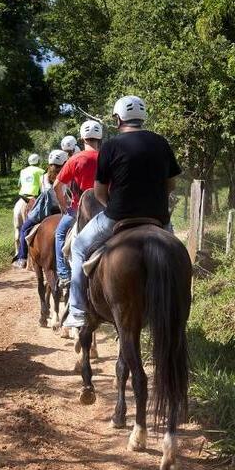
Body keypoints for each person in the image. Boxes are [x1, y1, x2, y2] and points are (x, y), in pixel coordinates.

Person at [63, 96, 181, 329]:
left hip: (118, 216)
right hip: (158, 217)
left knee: (77, 247)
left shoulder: (111, 146)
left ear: (118, 119)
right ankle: (179, 301)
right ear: (143, 117)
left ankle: (76, 310)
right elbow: (171, 184)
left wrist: (111, 206)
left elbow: (99, 191)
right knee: (176, 255)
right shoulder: (161, 142)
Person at [53, 120, 103, 289]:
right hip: (106, 211)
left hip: (79, 211)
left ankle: (64, 275)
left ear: (82, 138)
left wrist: (64, 206)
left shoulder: (75, 159)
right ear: (100, 137)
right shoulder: (107, 156)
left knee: (60, 234)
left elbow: (57, 186)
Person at [12, 149, 68, 269]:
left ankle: (22, 257)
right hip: (63, 210)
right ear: (65, 162)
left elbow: (39, 193)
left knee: (24, 229)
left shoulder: (43, 177)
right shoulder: (67, 176)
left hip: (44, 212)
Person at [13, 153, 44, 256]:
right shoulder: (41, 171)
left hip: (22, 199)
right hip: (34, 199)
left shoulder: (23, 171)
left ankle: (18, 253)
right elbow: (43, 188)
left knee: (18, 228)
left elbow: (20, 185)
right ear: (38, 162)